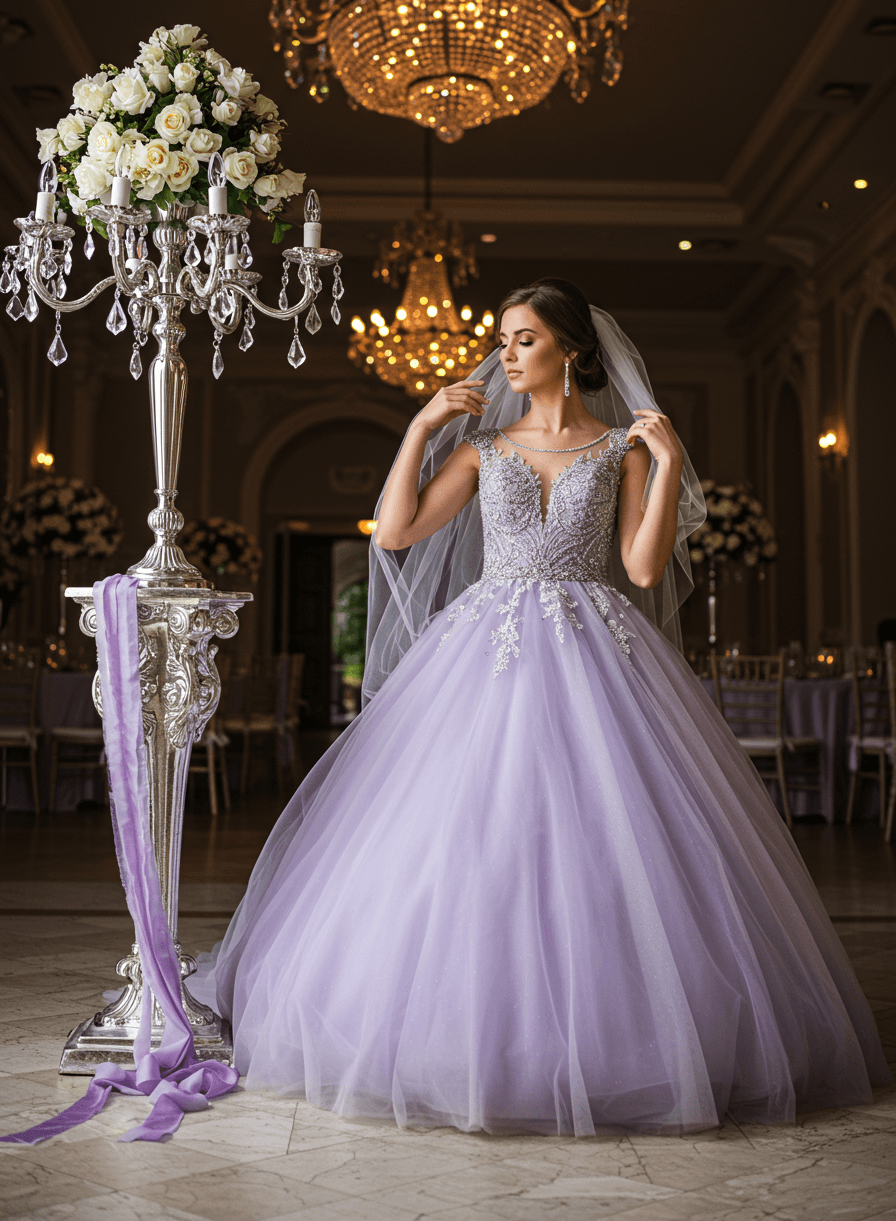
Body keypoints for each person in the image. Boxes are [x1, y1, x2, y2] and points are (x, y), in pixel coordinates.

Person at [196, 278, 889, 1137]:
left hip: (596, 646)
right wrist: (418, 429)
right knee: (468, 833)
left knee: (608, 838)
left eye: (523, 339)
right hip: (482, 651)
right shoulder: (481, 447)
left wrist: (669, 464)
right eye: (504, 338)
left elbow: (640, 569)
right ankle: (458, 1037)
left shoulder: (621, 450)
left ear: (569, 349)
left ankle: (624, 1038)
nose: (506, 354)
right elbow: (400, 532)